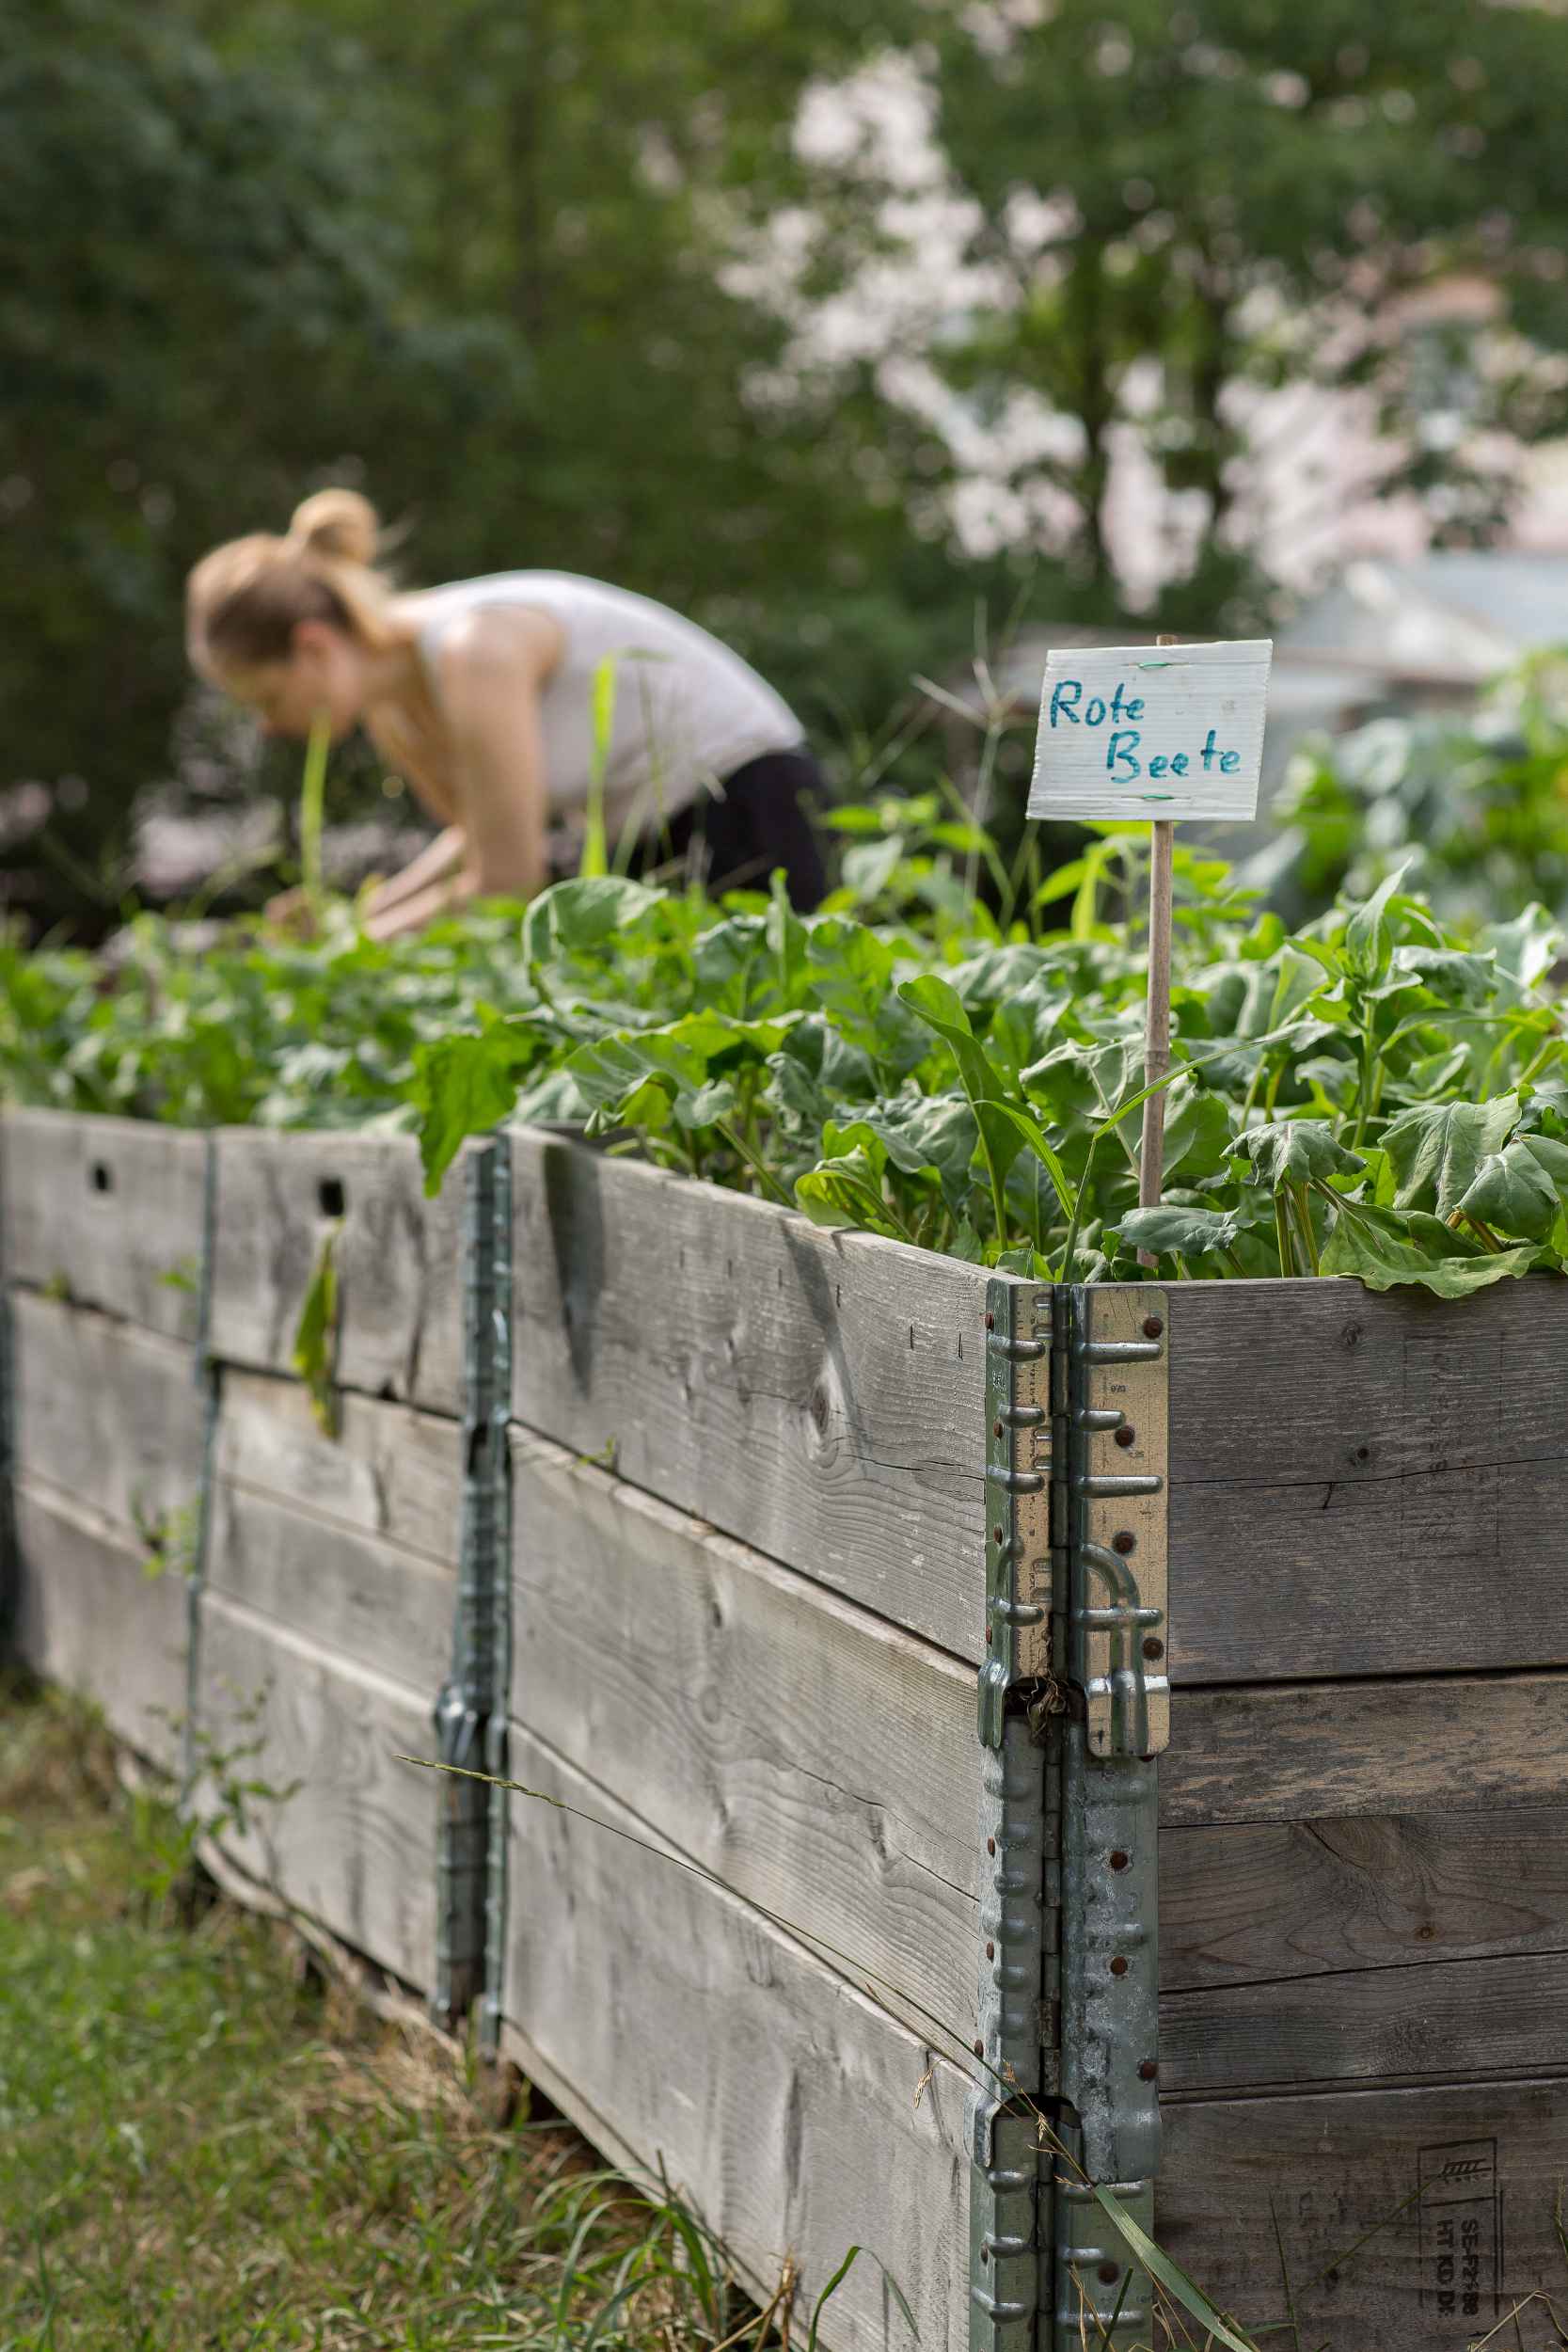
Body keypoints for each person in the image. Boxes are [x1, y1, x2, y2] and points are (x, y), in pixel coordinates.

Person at [184, 488, 828, 938]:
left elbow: (507, 882)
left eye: (267, 699)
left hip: (746, 804)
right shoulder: (396, 711)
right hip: (643, 836)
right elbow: (480, 836)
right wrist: (353, 922)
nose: (271, 726)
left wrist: (350, 948)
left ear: (314, 648)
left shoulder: (473, 651)